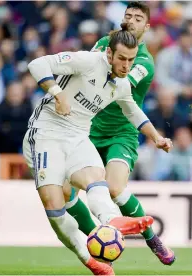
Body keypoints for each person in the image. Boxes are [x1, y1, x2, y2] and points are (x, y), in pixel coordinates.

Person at [23, 27, 172, 275]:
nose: (126, 65)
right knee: (55, 207)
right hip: (45, 134)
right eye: (121, 58)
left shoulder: (122, 84)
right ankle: (91, 261)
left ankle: (111, 220)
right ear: (110, 53)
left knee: (96, 178)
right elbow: (38, 64)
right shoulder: (88, 60)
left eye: (131, 60)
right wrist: (58, 94)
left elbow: (132, 111)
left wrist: (156, 137)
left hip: (78, 137)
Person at [65, 2, 175, 266]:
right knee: (65, 194)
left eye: (138, 18)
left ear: (147, 27)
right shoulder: (104, 42)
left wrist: (155, 136)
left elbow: (119, 84)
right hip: (88, 129)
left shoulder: (145, 62)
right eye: (128, 15)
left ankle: (151, 237)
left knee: (113, 188)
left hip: (120, 133)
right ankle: (99, 236)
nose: (132, 20)